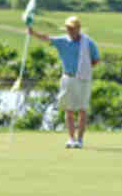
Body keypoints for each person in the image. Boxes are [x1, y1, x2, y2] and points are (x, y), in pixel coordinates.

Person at [28, 15, 100, 149]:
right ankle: (71, 139)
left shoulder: (88, 42)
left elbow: (96, 59)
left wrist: (83, 69)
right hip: (68, 78)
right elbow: (46, 38)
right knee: (69, 110)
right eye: (68, 28)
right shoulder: (62, 41)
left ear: (78, 29)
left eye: (72, 28)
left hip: (83, 79)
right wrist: (33, 33)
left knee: (83, 110)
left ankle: (80, 140)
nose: (70, 31)